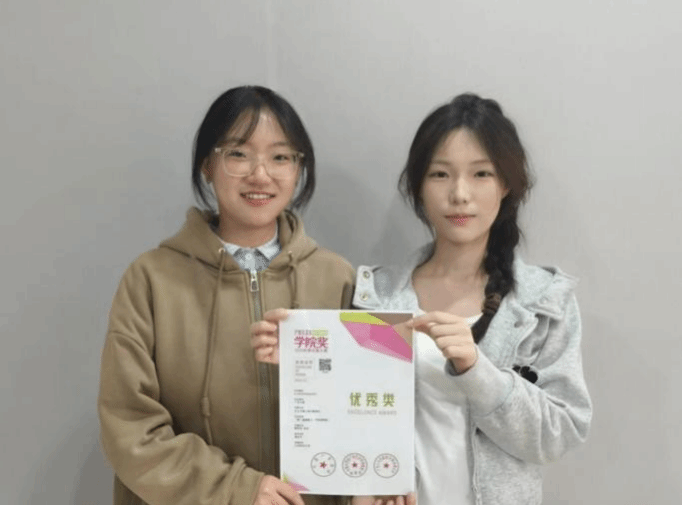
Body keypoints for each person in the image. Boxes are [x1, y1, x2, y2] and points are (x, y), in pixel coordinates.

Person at [251, 93, 592, 504]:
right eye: (440, 174)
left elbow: (559, 434)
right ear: (419, 186)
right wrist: (301, 359)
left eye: (481, 174)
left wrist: (477, 371)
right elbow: (351, 419)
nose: (460, 193)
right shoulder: (375, 296)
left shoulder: (543, 302)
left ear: (505, 184)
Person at [97, 85, 355, 505]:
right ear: (207, 165)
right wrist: (236, 489)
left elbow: (363, 410)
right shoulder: (151, 279)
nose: (260, 174)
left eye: (281, 157)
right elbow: (129, 427)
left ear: (298, 169)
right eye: (238, 153)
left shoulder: (337, 278)